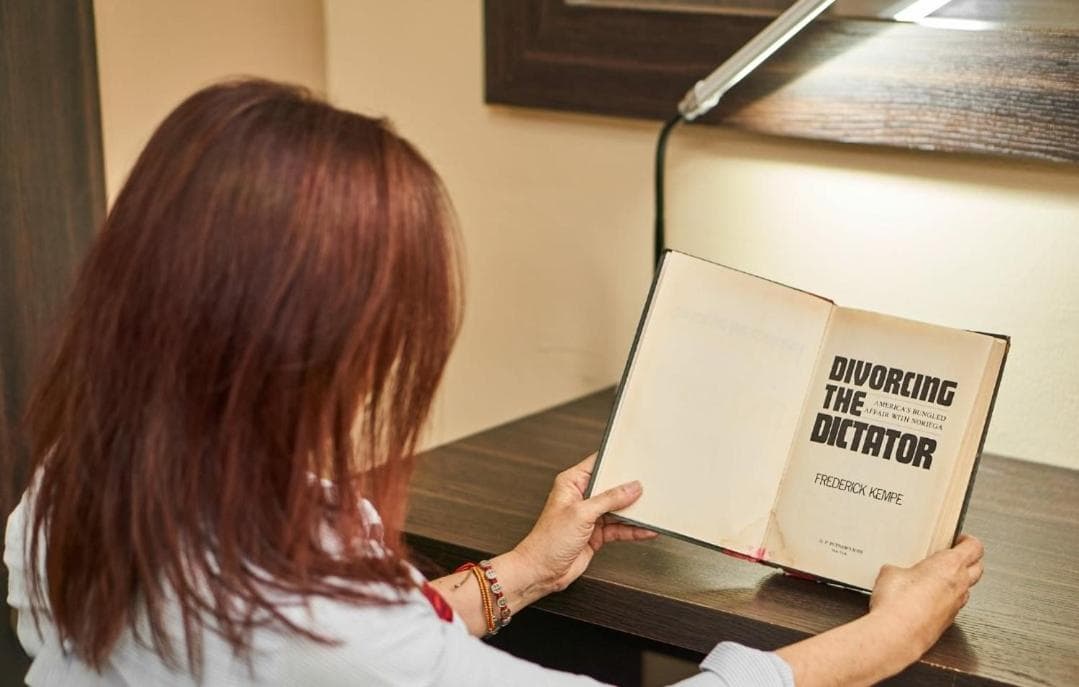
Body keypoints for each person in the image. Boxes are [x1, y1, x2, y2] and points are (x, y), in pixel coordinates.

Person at [4, 79, 983, 686]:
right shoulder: (309, 622)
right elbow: (357, 651)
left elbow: (374, 644)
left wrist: (525, 569)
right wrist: (889, 637)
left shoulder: (71, 495)